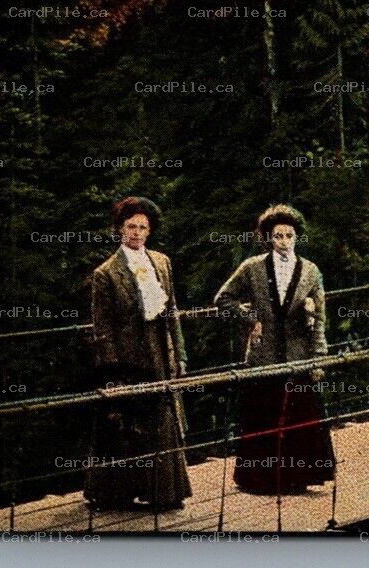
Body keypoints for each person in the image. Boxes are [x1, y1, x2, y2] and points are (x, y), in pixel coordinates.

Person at [213, 204, 335, 495]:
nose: (283, 242)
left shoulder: (310, 271)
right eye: (277, 236)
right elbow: (223, 299)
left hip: (298, 354)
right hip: (263, 355)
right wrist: (250, 317)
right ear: (268, 238)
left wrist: (318, 357)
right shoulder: (252, 268)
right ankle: (260, 480)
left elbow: (320, 318)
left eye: (288, 236)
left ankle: (296, 478)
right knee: (262, 414)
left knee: (298, 417)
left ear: (296, 237)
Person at [83, 196, 192, 512]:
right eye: (131, 226)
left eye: (143, 227)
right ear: (120, 229)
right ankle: (117, 492)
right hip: (127, 359)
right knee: (126, 425)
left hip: (160, 354)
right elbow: (103, 329)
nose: (137, 232)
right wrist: (112, 372)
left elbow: (172, 312)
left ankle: (163, 492)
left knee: (162, 421)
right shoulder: (106, 273)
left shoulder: (161, 262)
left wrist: (180, 354)